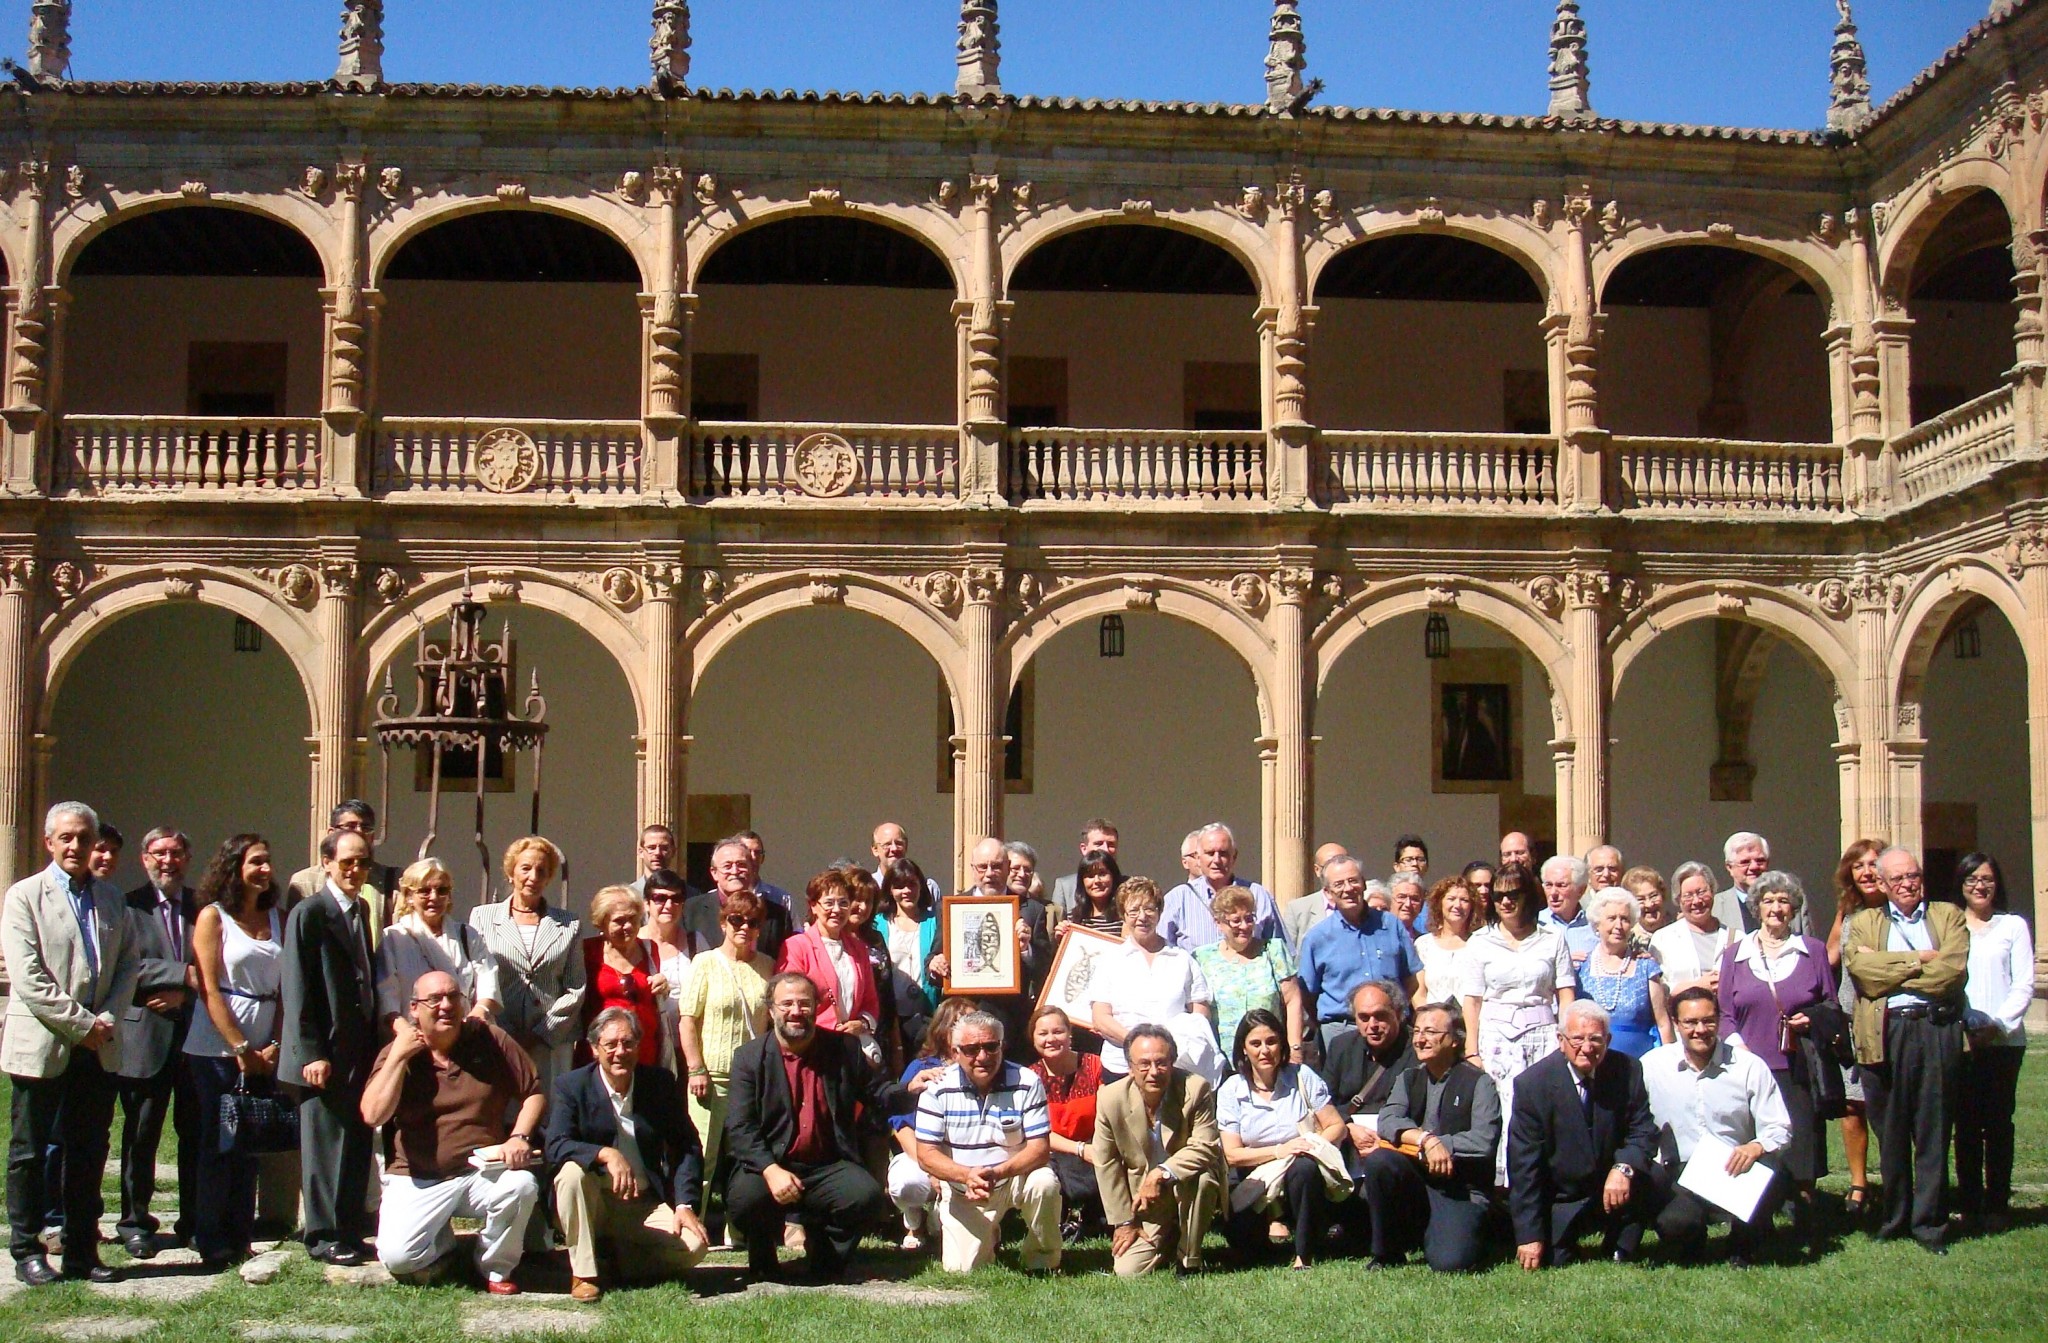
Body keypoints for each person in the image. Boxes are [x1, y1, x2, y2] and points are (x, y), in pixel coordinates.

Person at [3, 801, 141, 1286]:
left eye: (84, 837)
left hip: (98, 1046)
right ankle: (26, 1248)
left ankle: (82, 1249)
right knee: (31, 1151)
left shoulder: (111, 899)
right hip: (44, 1044)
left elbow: (129, 964)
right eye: (66, 837)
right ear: (49, 842)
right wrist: (81, 1025)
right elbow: (28, 976)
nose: (76, 846)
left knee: (88, 1150)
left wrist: (106, 1020)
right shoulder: (24, 896)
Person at [724, 973, 922, 1283]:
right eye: (786, 1004)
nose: (795, 1011)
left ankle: (825, 1255)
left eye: (804, 1003)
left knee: (865, 1196)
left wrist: (909, 1090)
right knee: (744, 1198)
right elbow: (740, 1127)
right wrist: (770, 1170)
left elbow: (876, 1093)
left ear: (817, 1006)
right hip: (772, 1163)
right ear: (771, 1009)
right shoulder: (749, 1058)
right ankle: (762, 1250)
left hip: (828, 1165)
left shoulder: (844, 1048)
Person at [361, 972, 544, 1293]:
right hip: (417, 1176)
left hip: (479, 1171)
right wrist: (398, 1057)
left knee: (521, 1184)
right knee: (398, 1258)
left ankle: (493, 1268)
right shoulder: (400, 1050)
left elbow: (534, 1091)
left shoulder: (490, 1038)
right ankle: (446, 1246)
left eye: (453, 997)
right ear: (414, 1009)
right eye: (434, 1000)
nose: (446, 1006)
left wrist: (519, 1136)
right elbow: (373, 1113)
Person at [1842, 847, 1967, 1251]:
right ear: (1882, 883)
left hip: (1935, 1028)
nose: (1907, 884)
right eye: (1897, 879)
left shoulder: (1947, 915)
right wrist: (1919, 959)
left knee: (1933, 1128)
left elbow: (1951, 973)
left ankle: (1929, 1222)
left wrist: (1891, 968)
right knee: (1891, 1130)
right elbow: (1863, 974)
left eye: (1912, 875)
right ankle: (1895, 1218)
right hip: (1886, 1031)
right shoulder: (1863, 922)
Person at [546, 1007, 709, 1302]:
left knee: (695, 1247)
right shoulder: (572, 1086)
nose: (620, 1051)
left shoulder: (659, 1084)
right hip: (591, 1201)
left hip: (642, 1204)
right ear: (595, 1049)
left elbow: (687, 1145)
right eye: (610, 1044)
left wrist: (685, 1204)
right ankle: (584, 1273)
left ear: (638, 1046)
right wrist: (603, 1153)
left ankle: (617, 1259)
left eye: (628, 1043)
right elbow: (555, 1144)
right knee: (571, 1172)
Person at [279, 826, 382, 1268]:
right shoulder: (311, 912)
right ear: (326, 863)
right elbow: (298, 987)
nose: (355, 870)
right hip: (322, 1052)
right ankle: (322, 1234)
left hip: (357, 1048)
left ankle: (349, 1228)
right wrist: (311, 1052)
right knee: (323, 1146)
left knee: (355, 1141)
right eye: (347, 862)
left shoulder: (360, 909)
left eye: (362, 862)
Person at [182, 834, 284, 1268]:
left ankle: (241, 1234)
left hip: (263, 1044)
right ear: (234, 867)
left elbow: (283, 990)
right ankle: (211, 1238)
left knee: (250, 1143)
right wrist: (239, 1046)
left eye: (267, 861)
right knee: (217, 1144)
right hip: (215, 1047)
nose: (264, 869)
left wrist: (273, 1043)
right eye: (255, 862)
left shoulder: (277, 917)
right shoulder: (213, 917)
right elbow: (207, 987)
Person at [1714, 870, 1833, 1235]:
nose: (1776, 908)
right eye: (1768, 901)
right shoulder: (1736, 954)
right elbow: (1724, 1013)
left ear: (1794, 907)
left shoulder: (1812, 951)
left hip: (1795, 1065)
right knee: (1754, 1140)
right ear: (1756, 907)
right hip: (1750, 1066)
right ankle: (1753, 1214)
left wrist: (1809, 1021)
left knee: (1801, 1138)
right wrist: (1740, 1049)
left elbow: (1829, 1005)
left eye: (1783, 901)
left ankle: (1803, 1212)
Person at [1641, 986, 1793, 1265]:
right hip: (1680, 1175)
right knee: (1676, 1224)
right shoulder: (1652, 1066)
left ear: (1719, 1021)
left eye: (1708, 1021)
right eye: (1690, 1022)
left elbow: (1779, 1127)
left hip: (1734, 1169)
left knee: (1774, 1171)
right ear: (1676, 1024)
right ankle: (1692, 1238)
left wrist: (1756, 1146)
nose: (1700, 1029)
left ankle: (1742, 1244)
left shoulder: (1748, 1066)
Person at [1506, 1001, 1658, 1268]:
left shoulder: (1628, 1070)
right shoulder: (1532, 1085)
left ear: (1608, 1040)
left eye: (1595, 1039)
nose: (1587, 1048)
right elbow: (1524, 1166)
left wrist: (1624, 1167)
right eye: (1577, 1039)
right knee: (1556, 1260)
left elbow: (1643, 1131)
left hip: (1614, 1186)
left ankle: (1620, 1246)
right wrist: (1529, 1235)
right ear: (1560, 1040)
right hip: (1563, 1197)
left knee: (1648, 1174)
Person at [913, 1009, 1061, 1273]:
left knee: (1045, 1183)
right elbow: (925, 1154)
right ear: (955, 1051)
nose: (982, 1057)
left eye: (991, 1047)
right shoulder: (936, 1089)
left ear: (1002, 1046)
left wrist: (998, 1172)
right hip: (964, 1187)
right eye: (971, 1050)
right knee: (964, 1270)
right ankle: (957, 1218)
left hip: (1015, 1176)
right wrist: (966, 1176)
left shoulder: (1027, 1081)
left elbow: (1040, 1149)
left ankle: (1041, 1260)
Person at [1357, 1002, 1500, 1271]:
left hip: (1460, 1188)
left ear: (1455, 1040)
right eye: (1418, 1032)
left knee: (1452, 1263)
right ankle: (1387, 1252)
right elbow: (1387, 1121)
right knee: (1380, 1161)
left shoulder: (1479, 1082)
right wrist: (1426, 1141)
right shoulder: (1408, 1078)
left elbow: (1483, 1140)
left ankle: (1460, 1233)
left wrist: (1443, 1145)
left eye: (1431, 1032)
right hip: (1418, 1179)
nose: (1421, 1039)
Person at [112, 825, 200, 1260]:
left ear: (187, 858)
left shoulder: (205, 908)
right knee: (141, 1133)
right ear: (145, 858)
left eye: (177, 853)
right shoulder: (127, 907)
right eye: (159, 853)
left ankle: (194, 1220)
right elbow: (125, 965)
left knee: (195, 1133)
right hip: (144, 1033)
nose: (169, 861)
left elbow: (218, 965)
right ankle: (135, 1222)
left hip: (194, 1035)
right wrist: (180, 974)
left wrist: (190, 992)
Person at [1458, 862, 1575, 1181]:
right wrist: (1471, 1050)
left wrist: (1566, 1038)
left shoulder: (1552, 939)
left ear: (1528, 895)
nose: (1506, 902)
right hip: (1497, 1037)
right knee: (1506, 1111)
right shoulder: (1480, 942)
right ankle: (1505, 1187)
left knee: (1542, 1109)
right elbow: (1472, 1000)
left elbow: (1565, 993)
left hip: (1544, 1034)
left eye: (1513, 894)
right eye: (1498, 896)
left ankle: (1546, 1183)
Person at [1088, 1023, 1225, 1276]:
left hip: (1188, 1185)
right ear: (1130, 1066)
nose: (1154, 1072)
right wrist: (1124, 1222)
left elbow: (1205, 1146)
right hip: (1146, 1199)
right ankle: (1170, 1237)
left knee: (1205, 1178)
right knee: (1128, 1272)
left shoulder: (1196, 1089)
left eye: (1161, 1063)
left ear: (1172, 1062)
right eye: (1144, 1064)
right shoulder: (1110, 1099)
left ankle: (1189, 1259)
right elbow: (1106, 1163)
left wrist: (1161, 1173)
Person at [1217, 1009, 1349, 1269]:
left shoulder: (1303, 1076)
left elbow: (1336, 1125)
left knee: (1305, 1169)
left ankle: (1304, 1253)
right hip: (1255, 1177)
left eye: (1271, 1042)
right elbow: (1232, 1154)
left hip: (1301, 1168)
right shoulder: (1231, 1090)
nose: (1264, 1051)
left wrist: (1312, 1146)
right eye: (1255, 1044)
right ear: (1243, 1049)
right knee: (1245, 1243)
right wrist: (1281, 1151)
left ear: (1282, 1044)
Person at [676, 888, 773, 1221]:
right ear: (723, 922)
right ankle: (694, 1225)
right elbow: (687, 1020)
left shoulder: (767, 967)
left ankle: (740, 1227)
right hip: (711, 1076)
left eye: (752, 921)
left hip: (751, 1079)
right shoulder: (704, 963)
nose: (743, 927)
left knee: (744, 1158)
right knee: (704, 1155)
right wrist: (695, 1068)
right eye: (736, 919)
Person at [470, 836, 585, 1101]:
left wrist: (541, 1033)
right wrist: (504, 1030)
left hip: (551, 1039)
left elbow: (575, 987)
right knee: (503, 1108)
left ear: (549, 878)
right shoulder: (482, 917)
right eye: (525, 868)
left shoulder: (569, 924)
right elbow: (477, 975)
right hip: (500, 1034)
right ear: (511, 872)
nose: (533, 876)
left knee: (549, 1110)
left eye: (541, 870)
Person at [1954, 852, 2032, 1222]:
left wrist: (1997, 1025)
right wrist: (1968, 1026)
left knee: (1999, 1123)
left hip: (2003, 1041)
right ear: (1961, 885)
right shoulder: (1952, 926)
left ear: (1996, 884)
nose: (1980, 886)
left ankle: (1998, 1202)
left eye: (1986, 879)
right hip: (1964, 1040)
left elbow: (2023, 984)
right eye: (1972, 880)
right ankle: (1969, 1202)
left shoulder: (2012, 926)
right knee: (1966, 1123)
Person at [929, 839, 1052, 1060]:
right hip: (965, 1021)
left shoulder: (1032, 910)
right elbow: (935, 959)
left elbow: (1044, 971)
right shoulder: (951, 908)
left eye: (996, 866)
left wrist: (1026, 949)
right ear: (973, 869)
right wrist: (935, 965)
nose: (989, 873)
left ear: (1007, 867)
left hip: (1011, 1026)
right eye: (982, 867)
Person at [1088, 877, 1217, 1083]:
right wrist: (1136, 1046)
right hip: (1121, 1067)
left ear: (1159, 912)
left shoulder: (1182, 959)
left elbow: (1200, 1011)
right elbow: (1101, 1017)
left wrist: (1170, 1048)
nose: (1142, 917)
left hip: (1174, 1067)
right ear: (1123, 916)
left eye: (1149, 909)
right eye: (1134, 911)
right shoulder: (1110, 960)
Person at [1297, 855, 1420, 1056]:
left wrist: (1393, 1013)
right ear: (1328, 892)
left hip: (1392, 1031)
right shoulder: (1317, 938)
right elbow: (1307, 994)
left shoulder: (1391, 925)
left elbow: (1411, 980)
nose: (1348, 888)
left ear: (1363, 884)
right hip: (1341, 1032)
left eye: (1353, 880)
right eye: (1339, 884)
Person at [1825, 837, 1887, 1214]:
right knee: (1853, 1106)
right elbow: (1827, 958)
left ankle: (1898, 1178)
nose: (1866, 872)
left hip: (1890, 1020)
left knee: (1892, 1105)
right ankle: (1859, 1183)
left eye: (1873, 864)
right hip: (1851, 1019)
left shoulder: (1901, 912)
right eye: (1859, 865)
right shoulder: (1846, 912)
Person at [885, 999, 974, 1250]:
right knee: (905, 1184)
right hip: (921, 1154)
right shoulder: (921, 1068)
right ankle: (914, 1220)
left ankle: (942, 1213)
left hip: (966, 1156)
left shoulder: (984, 1067)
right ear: (944, 1028)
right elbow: (900, 1125)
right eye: (960, 1022)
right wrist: (932, 1166)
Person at [376, 857, 500, 1028]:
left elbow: (488, 979)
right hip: (416, 1036)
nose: (434, 897)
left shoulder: (467, 935)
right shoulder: (394, 938)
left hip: (464, 1033)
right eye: (425, 891)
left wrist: (478, 1013)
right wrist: (405, 1032)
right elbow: (386, 994)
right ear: (409, 896)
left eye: (442, 890)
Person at [777, 868, 882, 1064]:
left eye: (843, 903)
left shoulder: (858, 948)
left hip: (850, 1049)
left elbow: (871, 1001)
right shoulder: (797, 946)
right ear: (813, 906)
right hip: (810, 1049)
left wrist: (861, 1023)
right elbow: (789, 1002)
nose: (837, 910)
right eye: (829, 903)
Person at [1193, 885, 1304, 1065]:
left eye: (1249, 919)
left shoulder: (1273, 950)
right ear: (1218, 923)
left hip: (1270, 1056)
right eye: (1235, 921)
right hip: (1224, 1061)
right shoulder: (1203, 958)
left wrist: (1295, 1048)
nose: (1244, 926)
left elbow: (1293, 1000)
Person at [1028, 1006, 1105, 1241]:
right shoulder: (1030, 1077)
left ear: (1070, 1034)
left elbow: (1106, 1115)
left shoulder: (1095, 1065)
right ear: (1033, 1038)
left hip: (1096, 1143)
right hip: (1053, 1149)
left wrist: (1094, 1147)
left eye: (1058, 1031)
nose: (1051, 1039)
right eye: (1043, 1033)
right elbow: (1036, 1131)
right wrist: (1080, 1150)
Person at [1574, 888, 1671, 1058]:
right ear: (1597, 923)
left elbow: (1663, 1022)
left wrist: (1671, 1064)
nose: (1618, 926)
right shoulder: (1580, 967)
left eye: (1625, 919)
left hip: (1639, 1060)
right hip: (1592, 1059)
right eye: (1611, 918)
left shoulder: (1646, 967)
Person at [1162, 823, 1283, 952]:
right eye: (1210, 853)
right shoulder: (1177, 899)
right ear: (1198, 858)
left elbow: (1281, 952)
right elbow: (1163, 955)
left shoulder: (1258, 895)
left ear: (1234, 857)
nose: (1217, 860)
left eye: (1223, 853)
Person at [284, 800, 400, 934]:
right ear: (331, 832)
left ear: (372, 837)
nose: (359, 832)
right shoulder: (305, 882)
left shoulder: (392, 880)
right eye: (350, 826)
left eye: (365, 828)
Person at [1319, 981, 1416, 1140]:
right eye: (1364, 1017)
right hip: (1347, 1134)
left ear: (1398, 1014)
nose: (1372, 1025)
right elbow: (1324, 1103)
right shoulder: (1341, 1047)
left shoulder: (1416, 1050)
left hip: (1395, 1140)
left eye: (1380, 1016)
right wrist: (1347, 1127)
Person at [686, 838, 796, 962]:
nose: (735, 871)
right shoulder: (690, 911)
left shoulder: (778, 915)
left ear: (751, 869)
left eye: (741, 865)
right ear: (714, 873)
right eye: (727, 866)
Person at [879, 857, 942, 1055]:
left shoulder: (936, 921)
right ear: (890, 889)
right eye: (899, 886)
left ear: (921, 887)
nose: (906, 891)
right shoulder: (878, 923)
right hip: (892, 1016)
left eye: (912, 885)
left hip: (928, 1014)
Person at [640, 867, 697, 1072]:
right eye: (659, 898)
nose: (668, 905)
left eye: (676, 899)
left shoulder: (696, 942)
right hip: (645, 1046)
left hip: (687, 1048)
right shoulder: (635, 943)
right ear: (646, 904)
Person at [1648, 861, 1734, 994]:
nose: (1696, 901)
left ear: (1713, 892)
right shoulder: (1663, 939)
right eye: (1688, 895)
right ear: (1678, 899)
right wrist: (1698, 986)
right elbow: (1657, 989)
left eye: (1702, 892)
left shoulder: (1736, 938)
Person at [1717, 831, 1809, 934]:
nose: (1754, 867)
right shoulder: (1715, 907)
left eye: (1760, 860)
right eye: (1745, 862)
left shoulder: (1792, 900)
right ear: (1729, 867)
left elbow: (1809, 945)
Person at [1414, 876, 1478, 1005]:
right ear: (1440, 903)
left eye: (1464, 900)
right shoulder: (1423, 945)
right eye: (1451, 899)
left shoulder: (1479, 944)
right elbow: (1418, 993)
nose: (1457, 905)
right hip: (1432, 1021)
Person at [1049, 819, 1120, 925]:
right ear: (1084, 848)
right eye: (1098, 844)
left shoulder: (1130, 886)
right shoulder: (1065, 886)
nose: (1105, 849)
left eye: (1111, 844)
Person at [1282, 843, 1350, 948]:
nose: (1337, 870)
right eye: (1329, 865)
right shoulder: (1297, 909)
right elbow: (1288, 955)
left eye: (1342, 863)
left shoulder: (1363, 905)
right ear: (1317, 870)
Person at [1538, 854, 1595, 964]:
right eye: (1548, 885)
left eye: (1561, 885)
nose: (1553, 893)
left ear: (1581, 890)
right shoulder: (1535, 923)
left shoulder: (1594, 925)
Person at [734, 829, 800, 921]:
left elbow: (795, 933)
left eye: (757, 853)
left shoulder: (782, 899)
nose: (753, 857)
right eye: (747, 851)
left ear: (763, 858)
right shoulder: (716, 898)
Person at [871, 821, 942, 908]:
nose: (894, 848)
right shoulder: (868, 888)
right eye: (887, 844)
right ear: (875, 850)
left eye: (899, 843)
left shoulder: (929, 888)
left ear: (906, 846)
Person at [1063, 849, 1126, 935]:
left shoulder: (1126, 916)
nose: (1097, 881)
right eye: (1090, 876)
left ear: (1113, 877)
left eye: (1102, 874)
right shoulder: (1073, 918)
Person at [627, 824, 678, 898]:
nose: (658, 853)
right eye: (651, 848)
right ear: (640, 852)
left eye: (664, 848)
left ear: (673, 852)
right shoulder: (629, 896)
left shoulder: (690, 896)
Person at [1387, 872, 1426, 937]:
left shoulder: (1423, 943)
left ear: (1421, 906)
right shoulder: (1376, 938)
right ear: (1389, 901)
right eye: (1401, 897)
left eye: (1414, 899)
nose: (1408, 904)